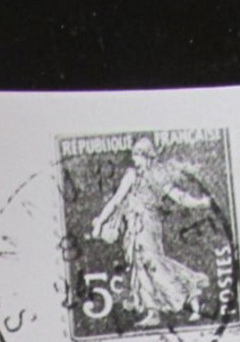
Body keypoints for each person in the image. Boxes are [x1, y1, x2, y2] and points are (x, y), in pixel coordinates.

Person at [90, 137, 212, 326]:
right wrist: (100, 224)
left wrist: (199, 203)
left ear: (148, 156)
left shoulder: (158, 176)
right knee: (140, 265)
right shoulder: (131, 176)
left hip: (149, 225)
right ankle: (152, 311)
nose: (135, 160)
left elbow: (178, 196)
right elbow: (116, 201)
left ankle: (189, 291)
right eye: (134, 156)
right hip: (134, 226)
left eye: (138, 156)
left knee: (154, 264)